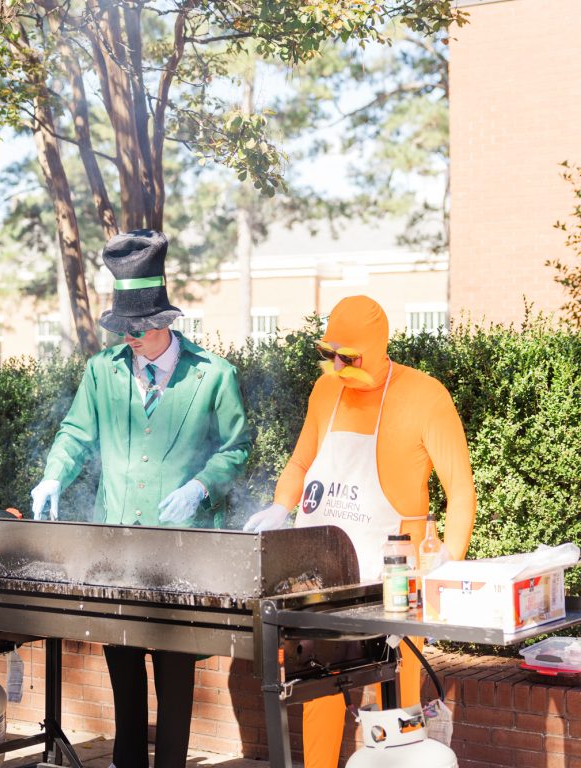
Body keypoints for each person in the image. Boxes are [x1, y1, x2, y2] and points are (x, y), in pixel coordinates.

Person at [31, 229, 251, 768]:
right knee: (124, 682)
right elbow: (75, 435)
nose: (130, 340)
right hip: (115, 556)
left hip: (180, 559)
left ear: (164, 322)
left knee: (176, 687)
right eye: (123, 330)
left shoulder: (214, 376)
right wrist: (54, 474)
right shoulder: (100, 373)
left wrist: (203, 485)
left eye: (139, 331)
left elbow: (236, 449)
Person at [243, 294, 476, 768]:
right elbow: (301, 460)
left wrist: (450, 554)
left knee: (398, 696)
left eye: (347, 357)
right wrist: (280, 506)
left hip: (395, 581)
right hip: (325, 580)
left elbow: (461, 489)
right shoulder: (325, 390)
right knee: (317, 691)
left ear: (375, 347)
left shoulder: (424, 395)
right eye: (328, 354)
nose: (335, 365)